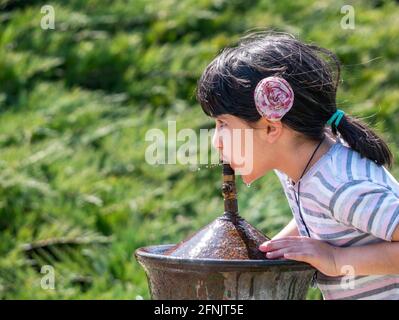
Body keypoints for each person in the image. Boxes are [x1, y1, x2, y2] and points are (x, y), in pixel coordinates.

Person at [196, 32, 399, 299]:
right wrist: (266, 254)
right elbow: (318, 211)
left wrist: (337, 260)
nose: (216, 141)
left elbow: (331, 203)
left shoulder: (340, 186)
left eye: (223, 124)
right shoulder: (302, 166)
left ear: (270, 128)